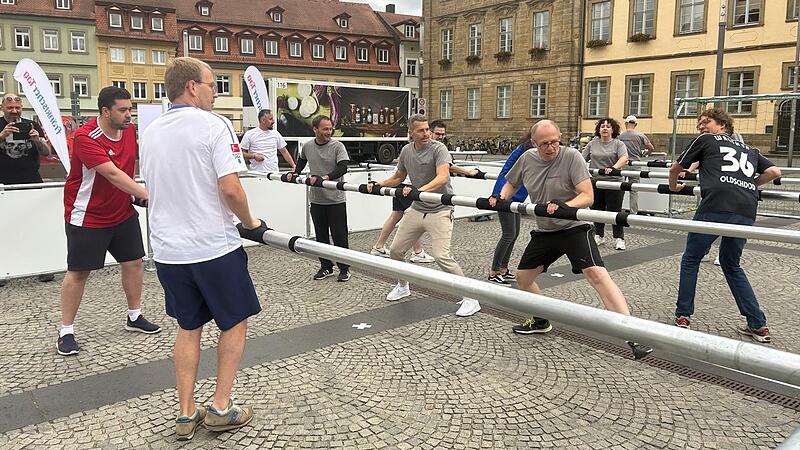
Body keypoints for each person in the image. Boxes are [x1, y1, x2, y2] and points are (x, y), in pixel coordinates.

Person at [140, 57, 264, 439]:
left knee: (188, 326)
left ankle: (185, 413)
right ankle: (221, 407)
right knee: (234, 320)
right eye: (212, 85)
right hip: (213, 246)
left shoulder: (152, 131)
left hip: (169, 251)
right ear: (192, 86)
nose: (215, 93)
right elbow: (230, 188)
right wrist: (251, 223)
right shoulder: (214, 125)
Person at [496, 120, 652, 360]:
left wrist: (563, 206)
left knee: (596, 274)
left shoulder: (572, 157)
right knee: (523, 278)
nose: (551, 148)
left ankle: (632, 334)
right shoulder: (527, 158)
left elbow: (587, 196)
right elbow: (511, 182)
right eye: (544, 144)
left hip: (574, 227)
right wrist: (500, 198)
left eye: (555, 142)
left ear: (560, 138)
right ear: (534, 143)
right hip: (546, 230)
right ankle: (540, 319)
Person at [57, 86, 160, 357]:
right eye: (123, 110)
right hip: (88, 215)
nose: (129, 115)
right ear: (105, 111)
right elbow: (112, 174)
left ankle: (134, 316)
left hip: (122, 212)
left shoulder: (128, 133)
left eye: (130, 109)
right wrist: (151, 196)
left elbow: (129, 172)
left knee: (134, 263)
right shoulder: (85, 137)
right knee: (79, 273)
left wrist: (136, 197)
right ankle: (66, 330)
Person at [669, 108, 780, 343]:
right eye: (699, 123)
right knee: (732, 264)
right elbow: (774, 171)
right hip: (746, 208)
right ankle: (758, 325)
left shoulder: (706, 140)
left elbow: (676, 168)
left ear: (722, 125)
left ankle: (683, 316)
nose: (701, 126)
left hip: (715, 205)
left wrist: (673, 186)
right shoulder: (750, 149)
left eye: (705, 122)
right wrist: (750, 185)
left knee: (691, 259)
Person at [367, 114, 481, 317]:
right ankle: (403, 286)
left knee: (441, 256)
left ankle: (471, 298)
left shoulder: (439, 148)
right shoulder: (406, 151)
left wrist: (418, 190)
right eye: (421, 130)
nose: (427, 133)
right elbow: (398, 177)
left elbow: (443, 176)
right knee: (395, 251)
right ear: (411, 133)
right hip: (418, 209)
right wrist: (379, 184)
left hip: (440, 209)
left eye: (428, 129)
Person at [286, 115, 352, 282]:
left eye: (330, 129)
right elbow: (300, 162)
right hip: (316, 200)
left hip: (335, 200)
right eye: (325, 129)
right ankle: (326, 266)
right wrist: (294, 174)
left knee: (339, 236)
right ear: (315, 129)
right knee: (321, 236)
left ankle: (344, 268)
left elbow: (343, 167)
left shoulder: (338, 146)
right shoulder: (308, 146)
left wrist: (327, 177)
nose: (328, 132)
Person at [0, 94, 55, 285]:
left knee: (37, 224)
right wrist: (2, 135)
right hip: (3, 185)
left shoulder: (32, 125)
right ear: (2, 108)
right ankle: (4, 269)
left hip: (31, 181)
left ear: (22, 107)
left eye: (17, 107)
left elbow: (47, 152)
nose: (14, 111)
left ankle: (43, 266)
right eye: (10, 108)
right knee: (4, 227)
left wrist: (37, 140)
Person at [488, 132, 532, 284]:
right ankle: (494, 271)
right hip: (505, 196)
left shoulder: (532, 149)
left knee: (514, 233)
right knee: (508, 234)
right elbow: (505, 173)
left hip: (516, 197)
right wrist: (498, 195)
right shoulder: (525, 150)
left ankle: (503, 269)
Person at [583, 117, 629, 250]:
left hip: (614, 183)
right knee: (597, 210)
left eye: (608, 126)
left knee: (615, 212)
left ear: (613, 130)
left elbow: (624, 157)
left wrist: (614, 168)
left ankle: (619, 238)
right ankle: (599, 234)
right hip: (596, 182)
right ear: (598, 129)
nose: (605, 128)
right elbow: (581, 158)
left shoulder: (618, 144)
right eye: (602, 126)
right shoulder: (592, 143)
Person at [618, 115, 654, 215]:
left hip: (622, 164)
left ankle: (617, 209)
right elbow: (651, 147)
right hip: (635, 165)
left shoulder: (619, 136)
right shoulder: (640, 135)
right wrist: (645, 153)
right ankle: (633, 212)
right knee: (634, 190)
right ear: (636, 124)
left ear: (626, 123)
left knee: (619, 188)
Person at [240, 108, 295, 173]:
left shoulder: (275, 134)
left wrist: (294, 166)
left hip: (274, 174)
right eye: (270, 119)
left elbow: (284, 152)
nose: (273, 121)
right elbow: (241, 153)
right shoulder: (250, 134)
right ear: (263, 120)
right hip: (257, 174)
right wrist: (254, 156)